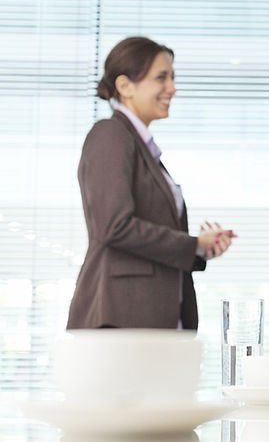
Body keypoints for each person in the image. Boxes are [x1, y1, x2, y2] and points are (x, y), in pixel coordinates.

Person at [67, 36, 234, 329]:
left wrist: (198, 248)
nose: (172, 87)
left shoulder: (141, 146)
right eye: (161, 77)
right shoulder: (111, 134)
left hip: (149, 317)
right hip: (121, 316)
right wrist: (192, 243)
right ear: (125, 86)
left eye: (172, 77)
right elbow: (114, 226)